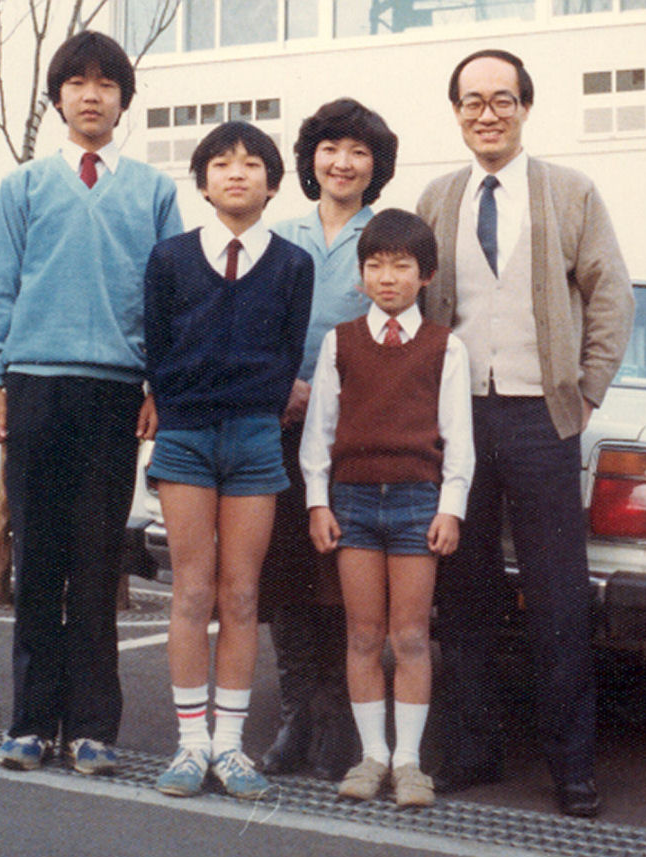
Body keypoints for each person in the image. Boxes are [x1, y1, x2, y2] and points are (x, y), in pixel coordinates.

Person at [416, 48, 634, 817]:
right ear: (456, 112)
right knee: (464, 592)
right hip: (461, 420)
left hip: (543, 417)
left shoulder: (570, 192)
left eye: (501, 99)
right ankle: (471, 753)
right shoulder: (438, 196)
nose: (487, 112)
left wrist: (586, 391)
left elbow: (610, 294)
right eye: (471, 100)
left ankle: (572, 768)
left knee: (558, 597)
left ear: (525, 107)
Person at [0, 31, 183, 775]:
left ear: (124, 99)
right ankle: (29, 722)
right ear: (58, 97)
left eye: (106, 83)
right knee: (37, 556)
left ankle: (93, 727)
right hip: (34, 384)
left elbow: (168, 299)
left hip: (115, 393)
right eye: (78, 82)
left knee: (96, 562)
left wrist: (158, 383)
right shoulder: (22, 186)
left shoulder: (155, 192)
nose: (92, 94)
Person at [145, 122, 313, 800]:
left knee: (243, 594)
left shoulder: (293, 265)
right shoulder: (168, 258)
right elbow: (157, 348)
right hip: (184, 436)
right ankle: (190, 745)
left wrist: (261, 408)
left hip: (254, 440)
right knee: (192, 590)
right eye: (221, 162)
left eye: (252, 164)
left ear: (273, 183)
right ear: (204, 180)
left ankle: (230, 746)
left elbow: (289, 352)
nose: (236, 172)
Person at [300, 208, 474, 807]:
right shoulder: (339, 342)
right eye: (374, 265)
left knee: (411, 637)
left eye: (401, 265)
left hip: (415, 504)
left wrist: (449, 508)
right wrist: (318, 502)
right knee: (363, 635)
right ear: (361, 274)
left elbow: (459, 439)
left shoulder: (443, 347)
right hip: (350, 503)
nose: (387, 277)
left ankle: (410, 763)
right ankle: (372, 756)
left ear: (425, 275)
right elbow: (317, 433)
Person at [261, 98, 398, 781]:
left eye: (359, 152)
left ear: (377, 166)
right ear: (311, 158)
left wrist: (334, 395)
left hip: (356, 433)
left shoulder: (390, 237)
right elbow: (254, 327)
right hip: (283, 423)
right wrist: (284, 384)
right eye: (330, 149)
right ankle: (297, 716)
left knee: (342, 577)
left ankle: (338, 720)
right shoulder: (280, 234)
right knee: (284, 574)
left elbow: (404, 339)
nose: (342, 163)